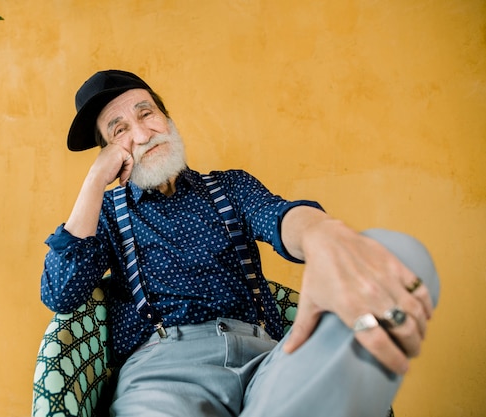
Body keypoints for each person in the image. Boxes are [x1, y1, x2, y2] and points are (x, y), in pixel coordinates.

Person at [40, 70, 440, 417]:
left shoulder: (229, 186)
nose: (142, 133)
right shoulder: (106, 212)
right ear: (109, 153)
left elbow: (281, 217)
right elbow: (61, 292)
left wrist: (320, 232)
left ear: (168, 119)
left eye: (147, 113)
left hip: (269, 363)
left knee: (400, 258)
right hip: (165, 375)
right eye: (120, 130)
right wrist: (94, 181)